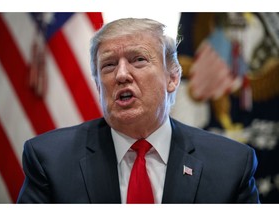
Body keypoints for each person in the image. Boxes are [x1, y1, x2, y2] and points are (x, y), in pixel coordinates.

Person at [17, 18, 260, 203]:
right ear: (98, 86)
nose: (121, 75)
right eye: (109, 65)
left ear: (173, 77)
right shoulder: (50, 161)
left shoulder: (231, 165)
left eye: (138, 60)